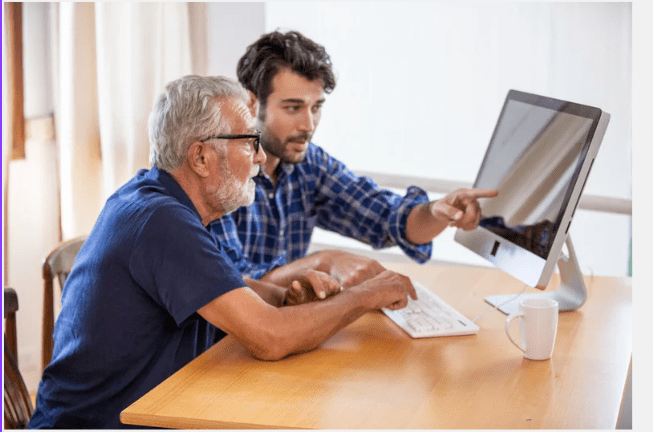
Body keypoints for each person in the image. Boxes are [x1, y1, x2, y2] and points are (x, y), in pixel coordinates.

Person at [28, 75, 416, 429]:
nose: (261, 158)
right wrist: (368, 295)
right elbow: (270, 339)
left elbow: (217, 288)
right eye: (250, 143)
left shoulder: (157, 200)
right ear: (200, 157)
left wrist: (283, 296)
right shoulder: (162, 221)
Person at [209, 30, 497, 288]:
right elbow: (234, 286)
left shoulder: (309, 166)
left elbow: (389, 219)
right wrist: (322, 262)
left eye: (316, 107)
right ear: (250, 102)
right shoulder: (218, 175)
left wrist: (436, 211)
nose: (308, 125)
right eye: (293, 108)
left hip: (285, 328)